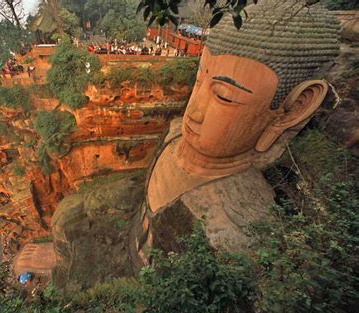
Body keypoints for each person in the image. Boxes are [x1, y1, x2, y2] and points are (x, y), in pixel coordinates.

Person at [134, 0, 340, 262]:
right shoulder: (175, 133)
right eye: (198, 82)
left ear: (294, 108)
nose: (193, 112)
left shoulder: (242, 220)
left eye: (224, 97)